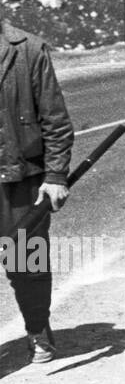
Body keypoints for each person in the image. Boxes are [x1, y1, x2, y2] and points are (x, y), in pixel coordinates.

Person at [0, 21, 73, 363]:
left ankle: (37, 329)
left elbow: (55, 119)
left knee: (26, 262)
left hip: (22, 178)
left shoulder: (27, 50)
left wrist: (56, 175)